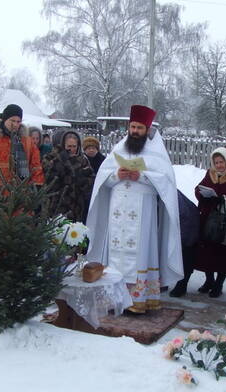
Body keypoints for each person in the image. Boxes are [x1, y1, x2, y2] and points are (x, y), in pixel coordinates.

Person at [85, 105, 183, 314]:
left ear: (147, 129)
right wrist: (116, 176)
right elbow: (103, 181)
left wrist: (143, 177)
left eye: (139, 127)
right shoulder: (119, 149)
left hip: (143, 212)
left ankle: (139, 300)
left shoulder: (157, 152)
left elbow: (165, 184)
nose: (135, 131)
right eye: (132, 127)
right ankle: (113, 299)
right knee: (115, 254)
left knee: (140, 252)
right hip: (117, 210)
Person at [194, 147, 226, 298]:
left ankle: (219, 283)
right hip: (210, 219)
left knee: (224, 253)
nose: (219, 165)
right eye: (216, 162)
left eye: (222, 162)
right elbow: (198, 188)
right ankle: (209, 280)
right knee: (208, 251)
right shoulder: (211, 173)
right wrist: (202, 192)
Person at [0, 104, 44, 190]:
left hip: (22, 195)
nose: (15, 125)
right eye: (12, 121)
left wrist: (36, 187)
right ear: (5, 120)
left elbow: (35, 166)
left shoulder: (27, 141)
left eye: (18, 121)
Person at [42, 130, 95, 222]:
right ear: (63, 145)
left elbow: (91, 179)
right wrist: (60, 162)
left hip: (76, 205)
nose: (72, 149)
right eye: (69, 146)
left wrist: (82, 180)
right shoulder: (54, 157)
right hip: (57, 203)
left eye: (74, 146)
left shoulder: (82, 160)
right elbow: (48, 176)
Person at [169, 190, 200, 297]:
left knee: (186, 254)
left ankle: (182, 284)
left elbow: (182, 214)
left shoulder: (170, 194)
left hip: (188, 224)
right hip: (179, 224)